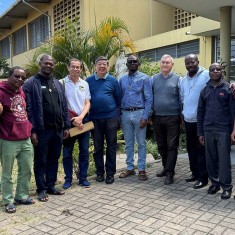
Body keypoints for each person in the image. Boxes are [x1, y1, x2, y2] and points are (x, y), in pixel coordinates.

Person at [23, 55, 70, 202]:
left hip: (57, 129)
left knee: (54, 158)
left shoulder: (57, 83)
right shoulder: (30, 83)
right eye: (46, 63)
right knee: (40, 160)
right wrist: (33, 130)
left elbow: (64, 106)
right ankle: (41, 189)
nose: (49, 66)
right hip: (42, 130)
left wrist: (66, 126)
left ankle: (50, 185)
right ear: (40, 64)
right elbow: (29, 109)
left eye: (51, 64)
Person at [0, 66, 34, 213]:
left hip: (25, 137)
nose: (20, 80)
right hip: (8, 138)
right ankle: (8, 200)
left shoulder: (21, 91)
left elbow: (23, 111)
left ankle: (22, 196)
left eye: (22, 78)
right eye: (17, 76)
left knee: (26, 169)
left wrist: (30, 130)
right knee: (7, 172)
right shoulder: (1, 92)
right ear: (9, 76)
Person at [198, 63, 234, 199]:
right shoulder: (204, 90)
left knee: (224, 160)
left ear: (221, 72)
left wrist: (232, 132)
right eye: (212, 69)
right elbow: (200, 112)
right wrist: (200, 132)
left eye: (218, 69)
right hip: (208, 129)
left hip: (223, 129)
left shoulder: (228, 89)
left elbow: (232, 112)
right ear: (209, 73)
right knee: (210, 159)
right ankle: (215, 183)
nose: (215, 71)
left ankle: (226, 187)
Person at [86, 56, 121, 184]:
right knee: (97, 147)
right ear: (95, 66)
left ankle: (110, 174)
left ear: (108, 66)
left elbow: (118, 100)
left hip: (110, 118)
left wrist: (118, 118)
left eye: (104, 64)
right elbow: (85, 100)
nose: (102, 66)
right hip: (95, 119)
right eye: (99, 64)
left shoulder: (113, 80)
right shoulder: (88, 81)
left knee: (111, 146)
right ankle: (99, 172)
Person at [119, 54, 153, 180]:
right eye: (130, 62)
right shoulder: (121, 80)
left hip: (140, 113)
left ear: (138, 64)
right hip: (125, 113)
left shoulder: (145, 78)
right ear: (127, 64)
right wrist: (119, 116)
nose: (132, 63)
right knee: (128, 143)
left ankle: (142, 169)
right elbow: (119, 98)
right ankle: (129, 168)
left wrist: (145, 116)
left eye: (135, 62)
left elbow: (149, 99)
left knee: (141, 143)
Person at [61, 58, 91, 189]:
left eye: (78, 67)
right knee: (67, 152)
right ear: (68, 68)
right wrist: (72, 120)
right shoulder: (61, 83)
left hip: (82, 122)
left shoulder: (84, 83)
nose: (75, 69)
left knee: (84, 151)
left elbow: (87, 102)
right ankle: (68, 179)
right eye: (73, 66)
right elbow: (60, 105)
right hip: (68, 123)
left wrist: (81, 117)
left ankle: (83, 178)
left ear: (81, 69)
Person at [180, 54, 209, 189]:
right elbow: (182, 99)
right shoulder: (183, 80)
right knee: (191, 149)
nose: (190, 65)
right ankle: (194, 173)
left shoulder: (207, 75)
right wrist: (182, 117)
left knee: (201, 150)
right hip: (188, 119)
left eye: (192, 62)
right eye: (187, 63)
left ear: (198, 61)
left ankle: (203, 178)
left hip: (201, 120)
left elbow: (220, 83)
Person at [152, 54, 181, 184]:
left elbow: (182, 99)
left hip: (172, 117)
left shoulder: (178, 79)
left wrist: (181, 116)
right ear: (160, 64)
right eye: (163, 62)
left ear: (172, 65)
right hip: (157, 117)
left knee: (172, 146)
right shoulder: (153, 79)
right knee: (161, 145)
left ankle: (170, 173)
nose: (164, 64)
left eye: (167, 63)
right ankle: (166, 168)